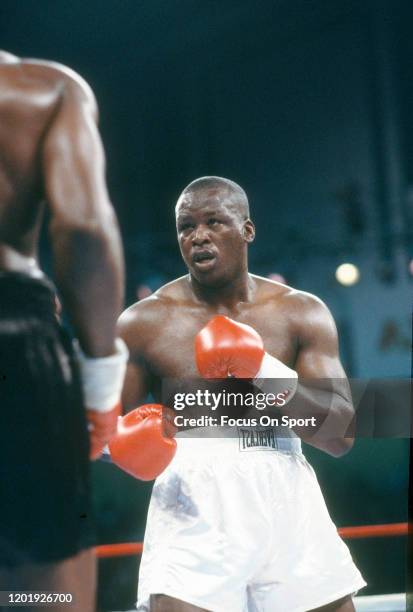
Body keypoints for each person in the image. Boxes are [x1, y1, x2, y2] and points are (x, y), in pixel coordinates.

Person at [115, 176, 366, 611]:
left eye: (213, 222)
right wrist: (131, 444)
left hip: (286, 494)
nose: (198, 236)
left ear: (247, 230)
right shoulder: (144, 323)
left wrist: (263, 369)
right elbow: (104, 434)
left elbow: (341, 435)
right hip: (192, 504)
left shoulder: (300, 312)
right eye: (185, 227)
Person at [0, 51, 127, 611]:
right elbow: (83, 229)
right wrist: (101, 387)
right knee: (43, 596)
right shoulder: (42, 90)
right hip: (14, 339)